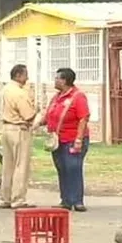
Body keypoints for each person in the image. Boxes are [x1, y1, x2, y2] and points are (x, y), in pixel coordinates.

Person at [43, 68, 90, 211]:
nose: (55, 81)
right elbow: (48, 114)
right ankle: (66, 200)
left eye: (57, 78)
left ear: (64, 81)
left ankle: (77, 200)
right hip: (58, 140)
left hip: (72, 139)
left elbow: (83, 118)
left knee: (73, 168)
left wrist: (79, 139)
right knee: (62, 169)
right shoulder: (57, 97)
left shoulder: (78, 96)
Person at [0, 64, 38, 209]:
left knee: (8, 165)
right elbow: (28, 115)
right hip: (19, 129)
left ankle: (6, 197)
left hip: (6, 127)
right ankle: (18, 199)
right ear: (18, 76)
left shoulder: (6, 89)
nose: (27, 78)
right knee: (21, 165)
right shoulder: (20, 93)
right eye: (25, 74)